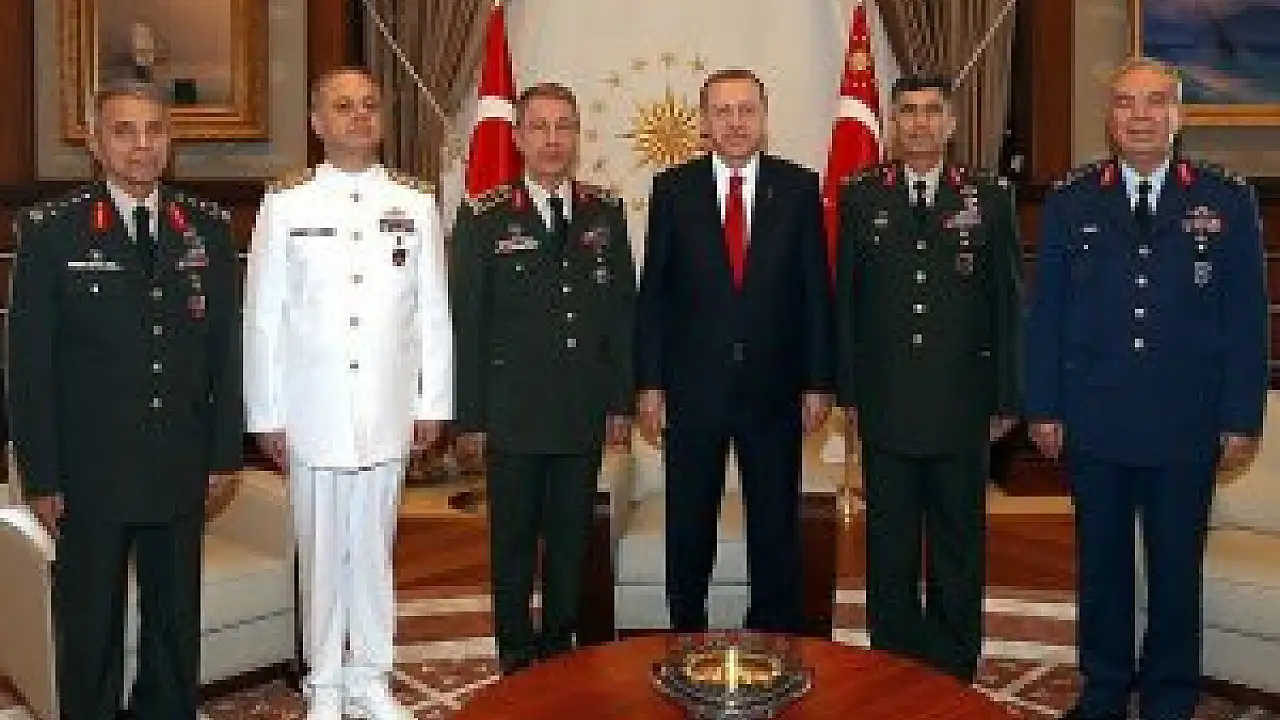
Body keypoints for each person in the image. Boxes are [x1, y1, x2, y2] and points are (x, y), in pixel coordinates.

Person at [1024, 57, 1267, 720]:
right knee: (1101, 567)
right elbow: (1047, 314)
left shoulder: (1225, 199)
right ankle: (1103, 688)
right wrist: (1042, 405)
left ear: (1177, 116)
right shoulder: (1073, 200)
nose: (1140, 115)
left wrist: (1240, 416)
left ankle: (1169, 694)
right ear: (1110, 118)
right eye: (1126, 102)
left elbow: (1247, 320)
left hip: (1186, 422)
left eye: (1155, 101)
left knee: (1175, 568)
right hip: (1094, 419)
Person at [6, 79, 241, 720]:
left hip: (178, 463)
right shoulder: (53, 232)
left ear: (170, 138)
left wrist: (224, 455)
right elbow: (28, 369)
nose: (142, 145)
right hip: (90, 472)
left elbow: (226, 352)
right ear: (95, 142)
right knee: (89, 629)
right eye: (124, 131)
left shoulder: (205, 228)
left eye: (155, 130)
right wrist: (41, 475)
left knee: (174, 627)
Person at [243, 67, 453, 720]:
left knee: (373, 551)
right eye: (342, 106)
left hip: (387, 409)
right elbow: (263, 316)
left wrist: (432, 403)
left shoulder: (415, 202)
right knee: (321, 553)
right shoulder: (287, 204)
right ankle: (325, 684)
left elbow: (432, 313)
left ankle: (370, 679)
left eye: (368, 105)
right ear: (316, 123)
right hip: (312, 411)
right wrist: (266, 412)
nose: (358, 116)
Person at [834, 75, 1023, 681]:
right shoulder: (863, 195)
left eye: (932, 111)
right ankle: (894, 667)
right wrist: (849, 392)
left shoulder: (988, 197)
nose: (920, 122)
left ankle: (953, 666)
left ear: (952, 123)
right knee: (888, 545)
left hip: (962, 404)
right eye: (908, 111)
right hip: (886, 402)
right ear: (892, 123)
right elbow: (848, 301)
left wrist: (1007, 395)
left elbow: (1008, 304)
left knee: (958, 543)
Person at [635, 68, 833, 634]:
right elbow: (655, 294)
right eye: (723, 111)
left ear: (765, 119)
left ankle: (774, 638)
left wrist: (819, 380)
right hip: (693, 390)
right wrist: (649, 382)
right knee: (688, 523)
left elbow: (816, 291)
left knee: (774, 524)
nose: (736, 122)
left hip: (776, 390)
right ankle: (686, 633)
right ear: (704, 122)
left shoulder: (798, 188)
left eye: (748, 110)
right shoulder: (673, 190)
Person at [450, 82, 635, 674]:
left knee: (569, 541)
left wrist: (620, 402)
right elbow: (467, 323)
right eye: (540, 127)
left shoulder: (604, 212)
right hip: (513, 411)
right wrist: (470, 417)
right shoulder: (484, 217)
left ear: (578, 135)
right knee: (512, 543)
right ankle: (514, 653)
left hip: (581, 408)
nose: (553, 140)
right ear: (518, 137)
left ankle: (558, 650)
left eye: (564, 127)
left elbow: (621, 315)